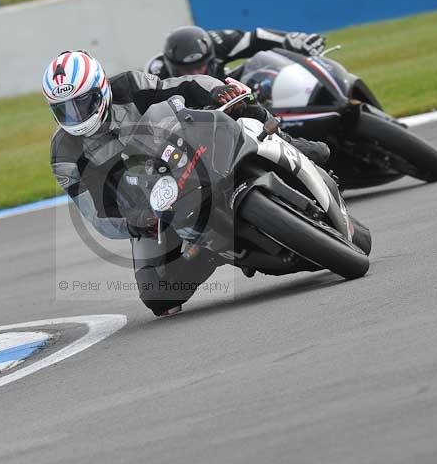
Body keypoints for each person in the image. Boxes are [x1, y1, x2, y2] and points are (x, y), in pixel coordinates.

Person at [43, 50, 328, 317]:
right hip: (152, 205)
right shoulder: (64, 154)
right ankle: (215, 252)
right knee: (157, 296)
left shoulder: (129, 85)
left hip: (186, 152)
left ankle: (293, 145)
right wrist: (131, 221)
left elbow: (184, 85)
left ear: (102, 89)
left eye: (82, 103)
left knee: (238, 103)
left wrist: (216, 90)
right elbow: (95, 214)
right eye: (64, 109)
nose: (76, 116)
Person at [146, 26, 326, 80]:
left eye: (199, 67)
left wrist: (292, 40)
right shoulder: (155, 74)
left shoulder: (217, 42)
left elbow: (256, 38)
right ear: (172, 67)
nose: (195, 74)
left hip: (233, 97)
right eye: (187, 70)